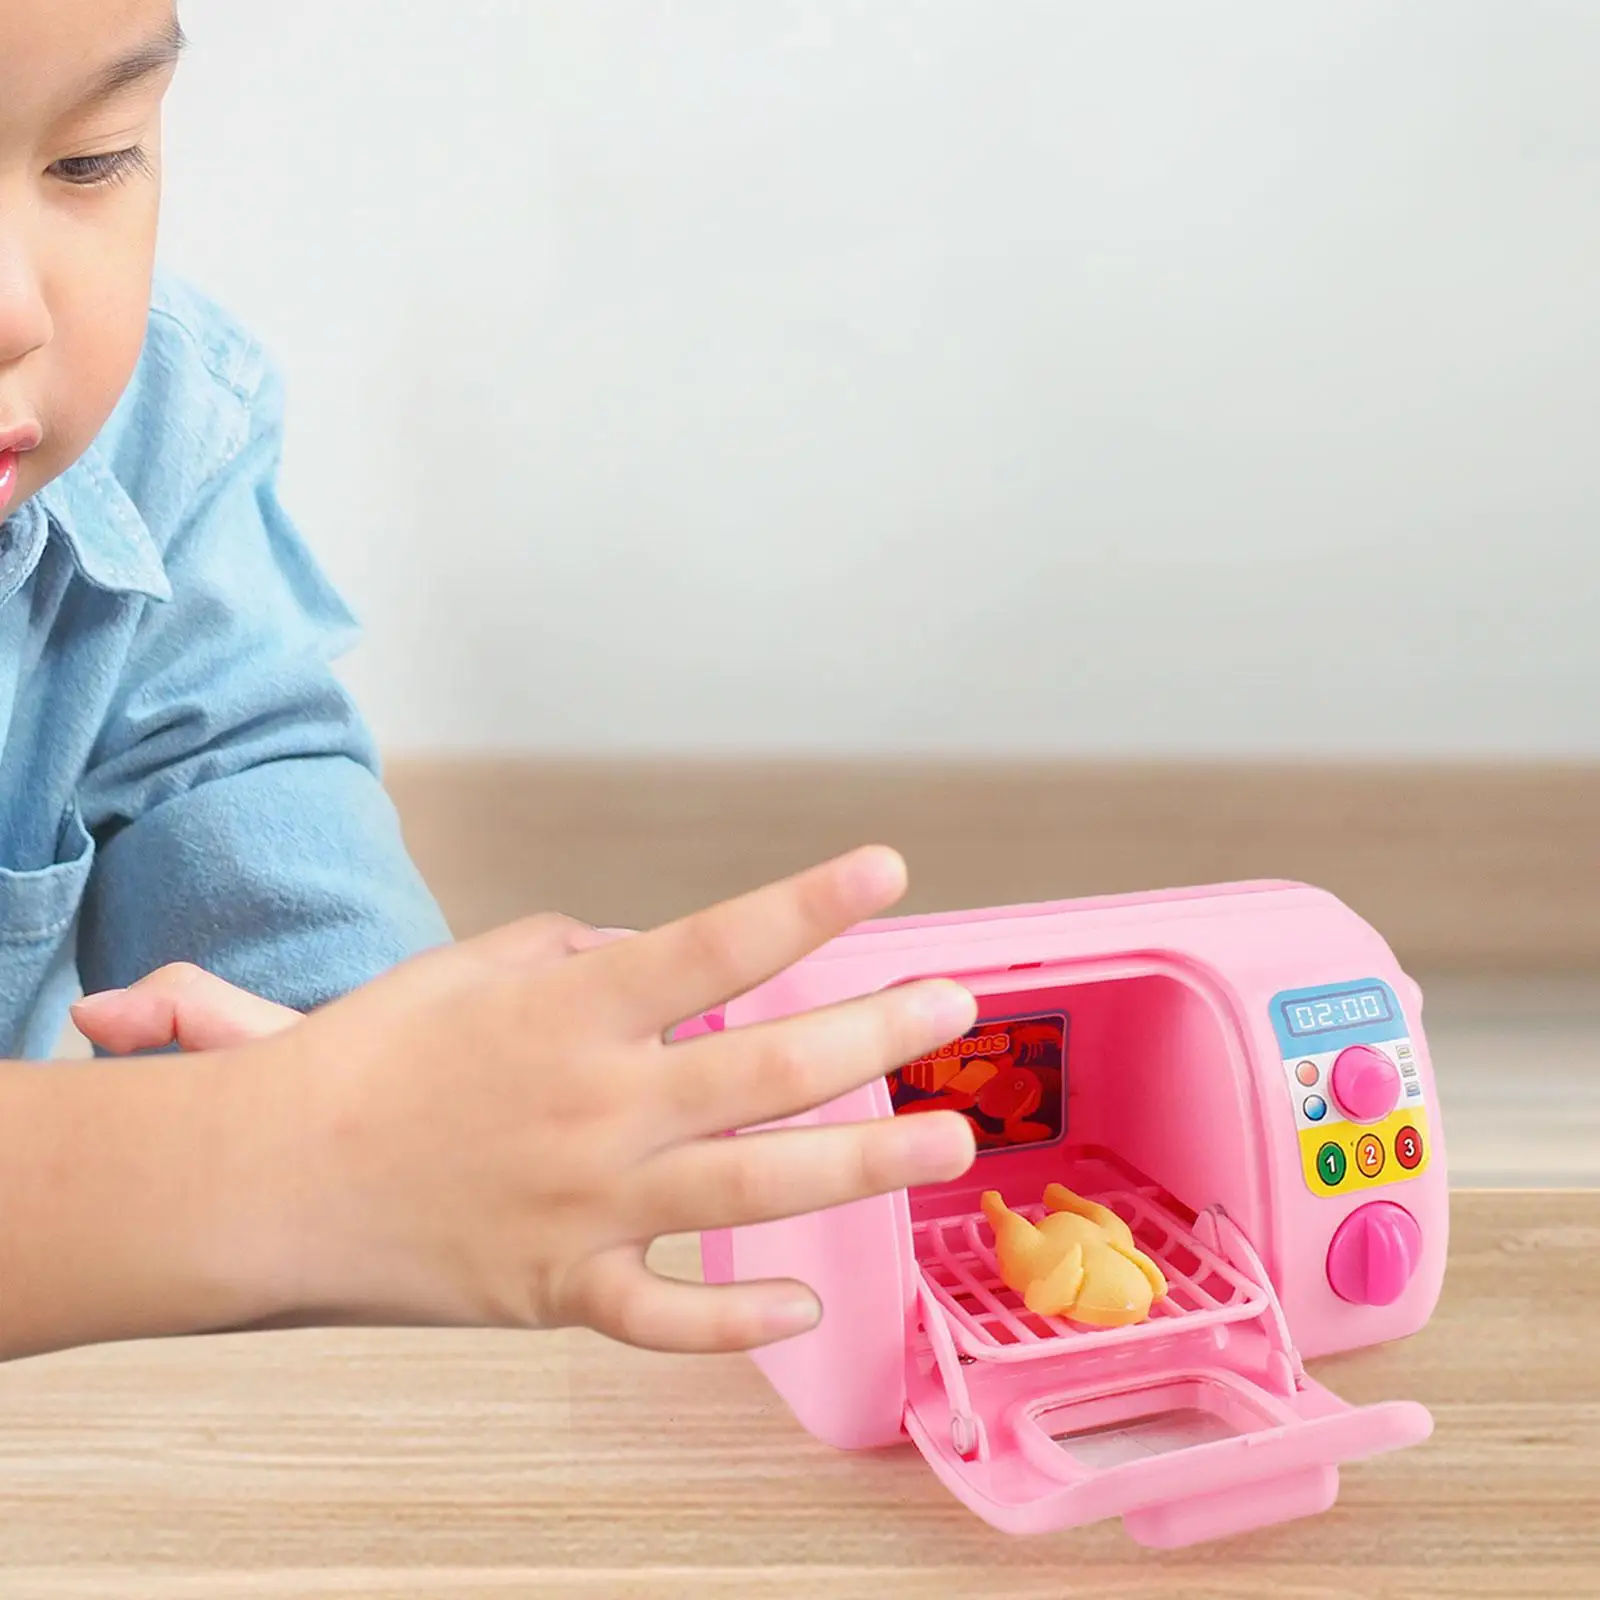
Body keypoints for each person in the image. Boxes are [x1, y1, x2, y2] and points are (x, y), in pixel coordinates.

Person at [0, 2, 978, 1364]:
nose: (16, 309)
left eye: (91, 161)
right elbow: (298, 1154)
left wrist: (405, 1065)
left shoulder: (155, 427)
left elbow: (219, 772)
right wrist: (293, 1159)